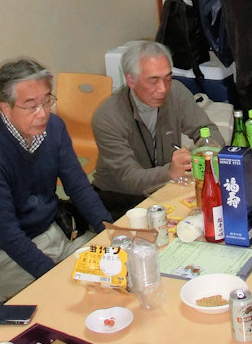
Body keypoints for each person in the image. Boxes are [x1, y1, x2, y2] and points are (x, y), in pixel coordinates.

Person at [0, 57, 111, 300]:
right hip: (3, 256)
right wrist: (52, 276)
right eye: (31, 106)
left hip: (55, 233)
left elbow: (78, 186)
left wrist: (109, 232)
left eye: (47, 101)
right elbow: (7, 235)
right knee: (67, 298)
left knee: (114, 266)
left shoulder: (54, 128)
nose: (43, 113)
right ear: (6, 108)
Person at [91, 40, 224, 218]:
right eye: (153, 81)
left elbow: (206, 130)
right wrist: (170, 171)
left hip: (166, 188)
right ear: (130, 80)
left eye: (168, 78)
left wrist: (204, 151)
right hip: (120, 197)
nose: (163, 89)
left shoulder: (176, 92)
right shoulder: (107, 117)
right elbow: (128, 179)